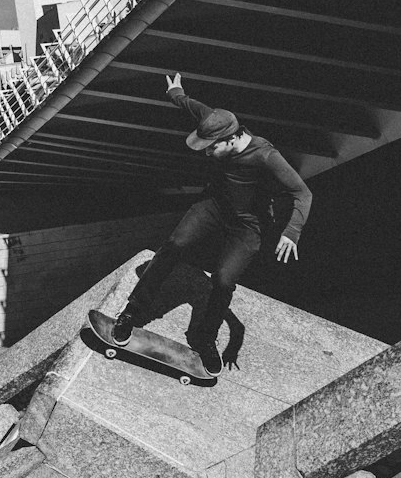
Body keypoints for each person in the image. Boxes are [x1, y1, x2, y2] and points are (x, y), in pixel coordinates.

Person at [112, 73, 312, 374]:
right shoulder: (218, 121)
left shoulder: (266, 156)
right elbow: (194, 106)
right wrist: (176, 93)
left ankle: (204, 337)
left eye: (211, 148)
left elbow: (302, 192)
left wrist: (292, 232)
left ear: (231, 140)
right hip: (214, 205)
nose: (207, 153)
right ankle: (132, 311)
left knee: (223, 279)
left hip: (249, 224)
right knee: (174, 245)